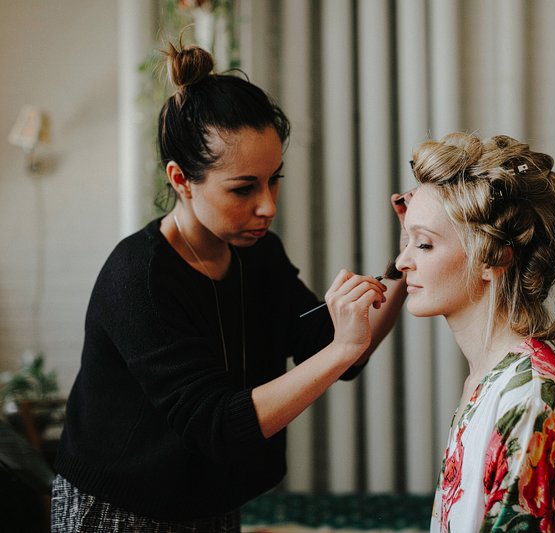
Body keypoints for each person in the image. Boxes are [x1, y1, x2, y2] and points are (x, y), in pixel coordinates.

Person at [50, 43, 406, 532]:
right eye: (244, 189)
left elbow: (331, 346)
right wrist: (341, 348)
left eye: (273, 181)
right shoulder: (139, 278)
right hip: (120, 509)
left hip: (209, 501)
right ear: (181, 180)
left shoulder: (257, 253)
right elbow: (218, 424)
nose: (268, 207)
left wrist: (407, 262)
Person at [394, 132, 555, 532]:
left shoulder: (527, 402)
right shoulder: (489, 377)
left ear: (494, 258)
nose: (402, 261)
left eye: (422, 244)